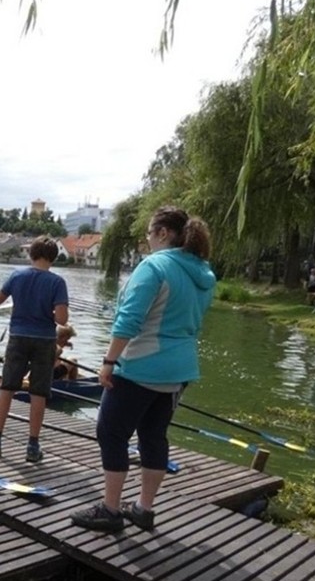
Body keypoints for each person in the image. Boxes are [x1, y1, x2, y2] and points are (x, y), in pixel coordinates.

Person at [70, 206, 216, 533]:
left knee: (111, 432)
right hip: (180, 370)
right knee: (154, 435)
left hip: (141, 365)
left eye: (149, 233)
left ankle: (110, 509)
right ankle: (143, 509)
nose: (147, 239)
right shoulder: (203, 273)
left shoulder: (155, 266)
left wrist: (109, 362)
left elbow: (129, 319)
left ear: (163, 233)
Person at [0, 237, 68, 461]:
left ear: (31, 254)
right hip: (45, 340)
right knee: (38, 392)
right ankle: (33, 447)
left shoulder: (17, 275)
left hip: (18, 338)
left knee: (7, 388)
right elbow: (62, 319)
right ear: (53, 258)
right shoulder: (57, 282)